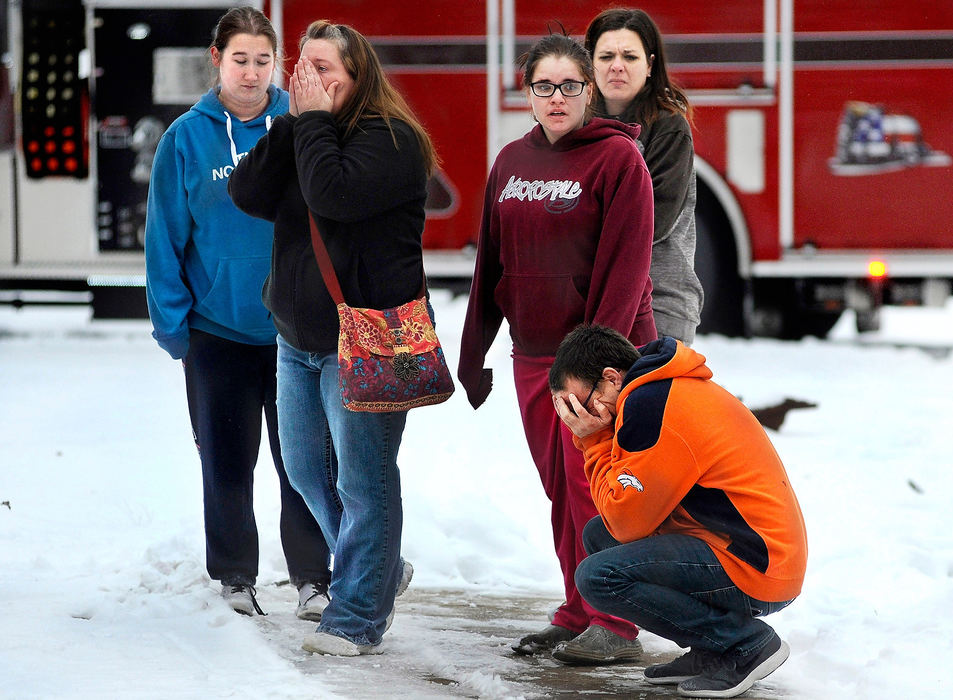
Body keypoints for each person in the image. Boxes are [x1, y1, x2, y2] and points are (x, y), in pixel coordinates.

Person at [228, 19, 434, 656]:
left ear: (359, 73)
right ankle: (375, 567)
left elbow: (333, 195)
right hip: (298, 336)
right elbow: (247, 193)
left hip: (367, 339)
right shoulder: (304, 131)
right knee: (304, 469)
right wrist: (289, 123)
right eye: (304, 69)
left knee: (363, 482)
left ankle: (357, 618)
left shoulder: (394, 141)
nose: (311, 81)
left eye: (326, 69)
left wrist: (310, 125)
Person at [457, 32, 656, 664]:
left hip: (596, 363)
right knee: (559, 491)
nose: (557, 97)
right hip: (531, 356)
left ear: (589, 90)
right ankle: (576, 609)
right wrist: (474, 351)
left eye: (570, 85)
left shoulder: (618, 161)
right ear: (528, 92)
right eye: (544, 86)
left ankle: (615, 623)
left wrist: (601, 371)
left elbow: (626, 270)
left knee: (596, 489)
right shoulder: (511, 161)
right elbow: (492, 260)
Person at [144, 7, 331, 619]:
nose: (251, 73)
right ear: (217, 59)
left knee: (303, 462)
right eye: (239, 59)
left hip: (296, 332)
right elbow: (164, 238)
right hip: (216, 331)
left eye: (262, 60)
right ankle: (233, 577)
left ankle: (312, 578)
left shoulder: (301, 124)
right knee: (226, 462)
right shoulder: (186, 139)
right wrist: (175, 326)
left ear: (277, 64)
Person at [549, 325, 807, 697]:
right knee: (597, 536)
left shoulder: (651, 408)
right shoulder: (655, 388)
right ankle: (711, 649)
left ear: (610, 377)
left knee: (598, 577)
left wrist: (593, 441)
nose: (580, 416)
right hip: (748, 547)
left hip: (758, 566)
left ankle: (744, 644)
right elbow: (622, 511)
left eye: (581, 403)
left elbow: (626, 522)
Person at [585, 8, 704, 344]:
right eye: (606, 55)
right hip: (586, 306)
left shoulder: (669, 128)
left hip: (659, 308)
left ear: (650, 65)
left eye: (630, 56)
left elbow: (652, 222)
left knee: (644, 399)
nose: (617, 65)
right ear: (589, 65)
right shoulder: (575, 127)